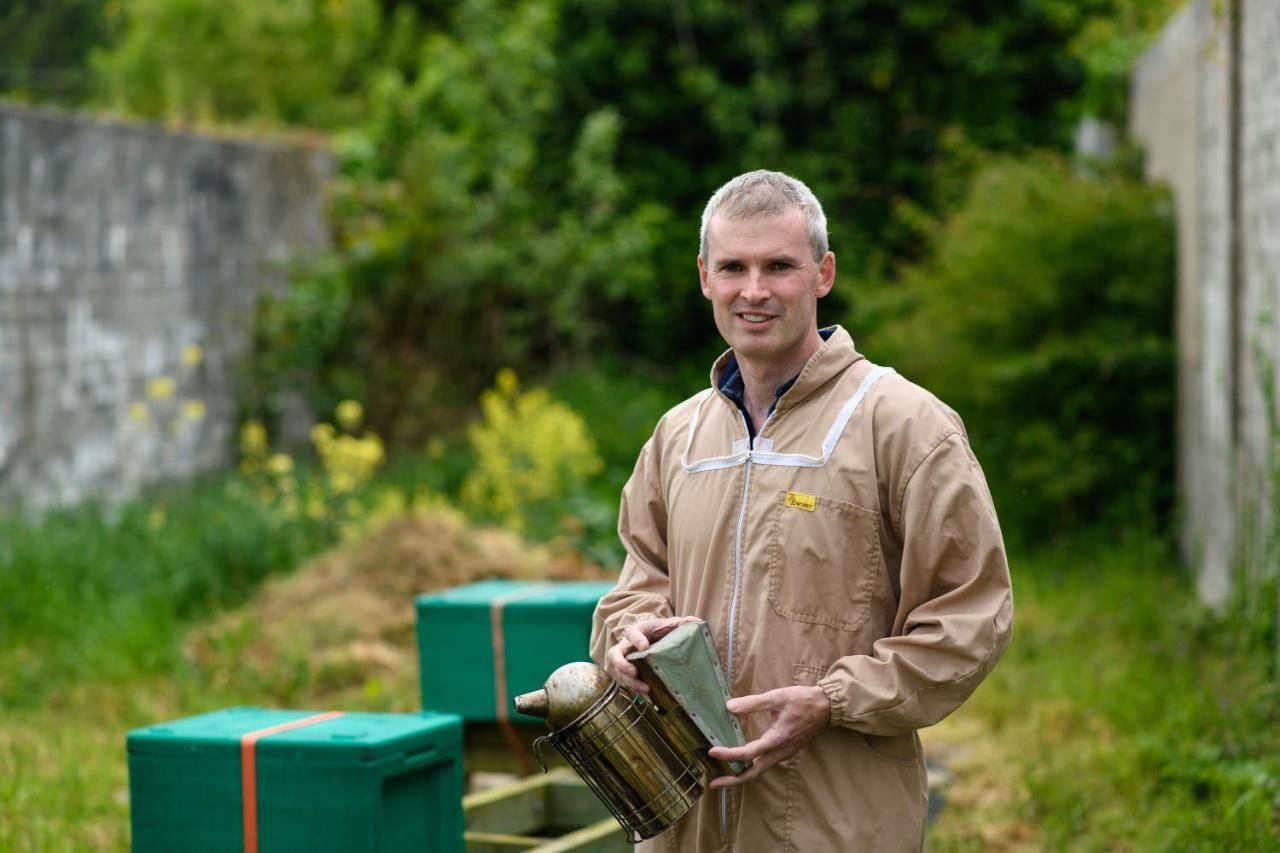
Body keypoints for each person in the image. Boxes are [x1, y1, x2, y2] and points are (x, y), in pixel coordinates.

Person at [589, 170, 1013, 852]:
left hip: (832, 821)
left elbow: (971, 615)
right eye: (733, 267)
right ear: (704, 277)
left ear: (823, 273)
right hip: (682, 822)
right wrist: (628, 636)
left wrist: (834, 699)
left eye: (779, 266)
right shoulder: (679, 435)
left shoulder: (904, 425)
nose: (753, 290)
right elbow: (637, 580)